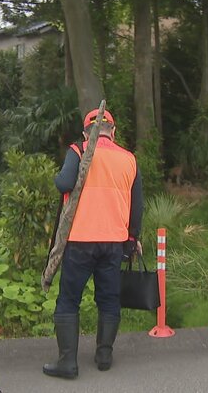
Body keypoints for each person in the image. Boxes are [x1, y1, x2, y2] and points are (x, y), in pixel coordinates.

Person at [43, 108, 143, 379]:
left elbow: (64, 183)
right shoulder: (128, 158)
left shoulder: (79, 150)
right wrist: (133, 237)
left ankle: (67, 363)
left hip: (80, 239)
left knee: (69, 299)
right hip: (114, 241)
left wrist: (57, 177)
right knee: (109, 298)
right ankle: (104, 355)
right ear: (114, 131)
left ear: (87, 132)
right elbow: (137, 206)